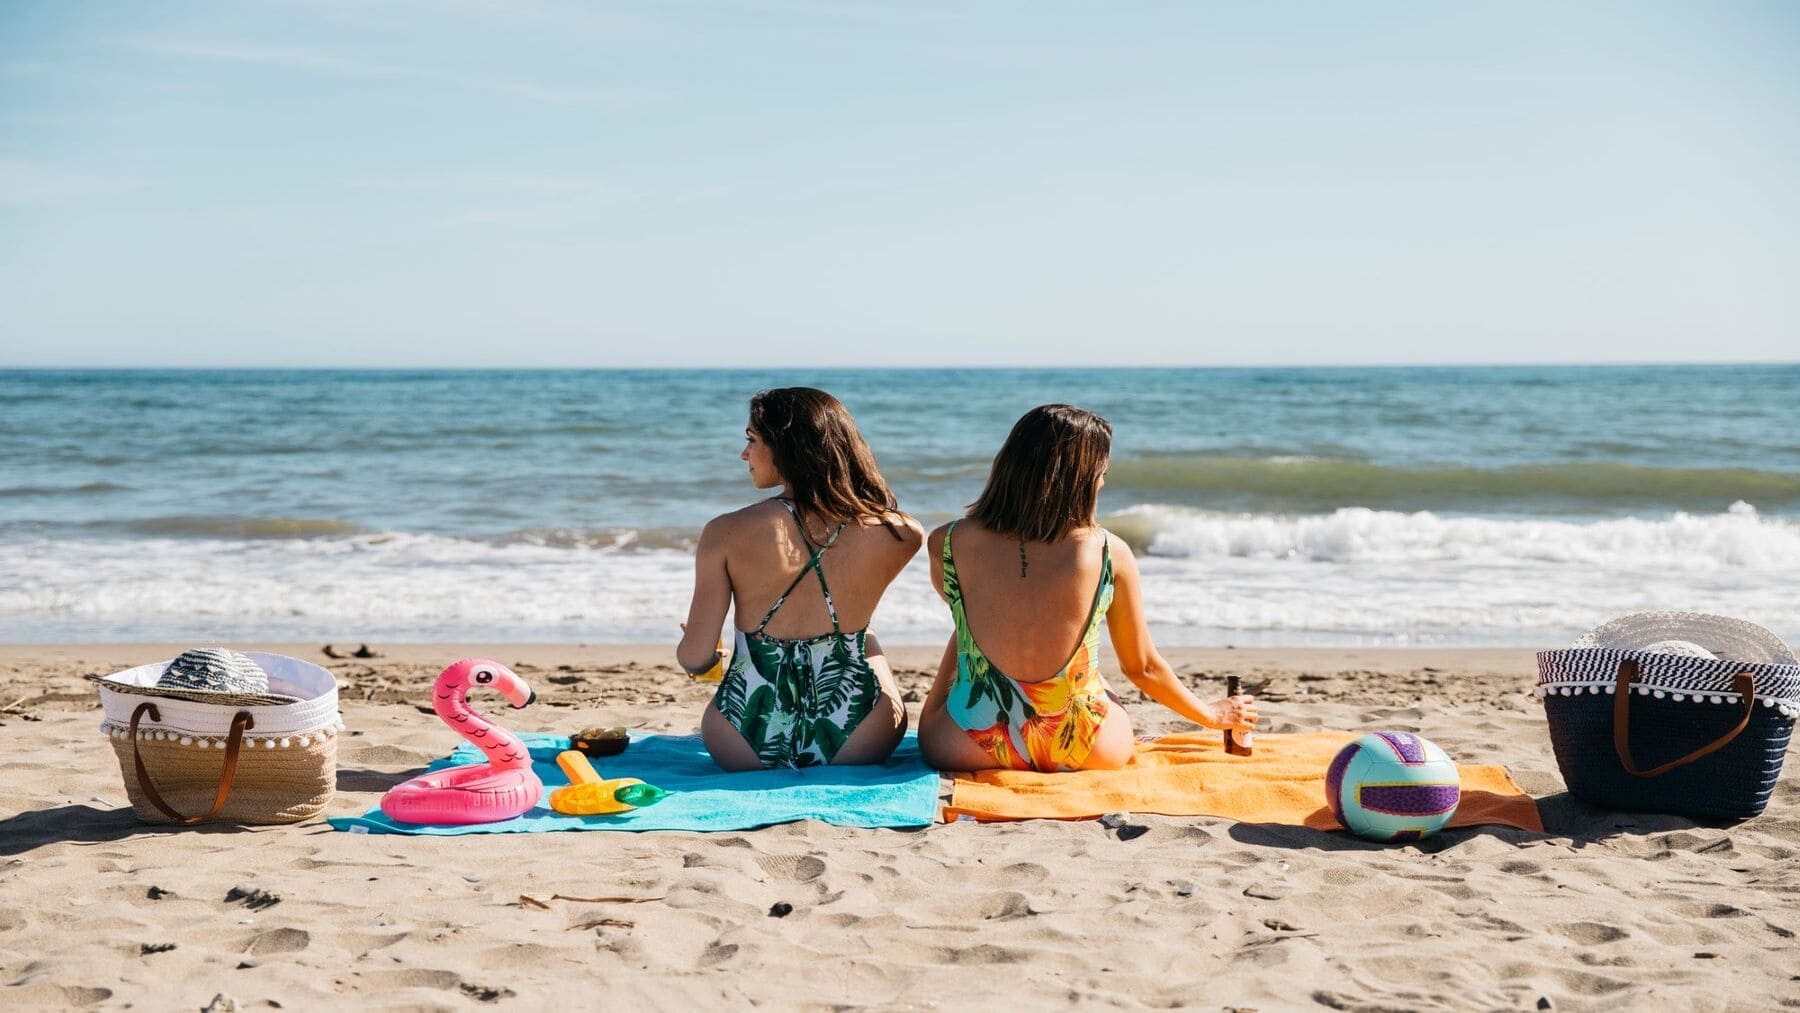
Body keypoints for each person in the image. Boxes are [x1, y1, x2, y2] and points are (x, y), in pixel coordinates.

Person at [919, 404, 1257, 772]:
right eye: (1102, 474)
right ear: (1082, 479)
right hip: (1087, 746)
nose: (1103, 483)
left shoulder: (946, 542)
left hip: (969, 744)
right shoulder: (1109, 552)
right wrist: (1212, 714)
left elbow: (960, 614)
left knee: (963, 635)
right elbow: (1143, 668)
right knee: (1095, 683)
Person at [679, 387, 922, 770]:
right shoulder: (903, 533)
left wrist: (713, 654)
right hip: (860, 736)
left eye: (752, 440)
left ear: (787, 447)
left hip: (740, 741)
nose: (744, 454)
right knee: (867, 639)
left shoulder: (724, 532)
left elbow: (694, 659)